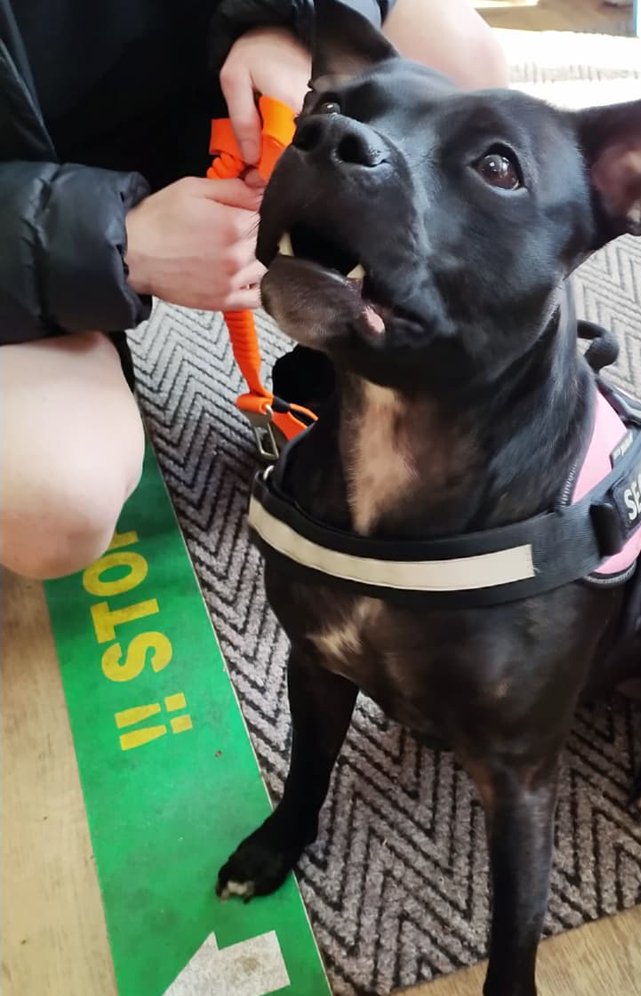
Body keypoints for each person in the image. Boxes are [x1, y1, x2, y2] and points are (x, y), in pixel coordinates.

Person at [0, 0, 507, 580]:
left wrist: (287, 23)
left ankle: (365, 374)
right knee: (53, 495)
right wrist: (116, 245)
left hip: (213, 78)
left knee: (458, 55)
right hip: (25, 211)